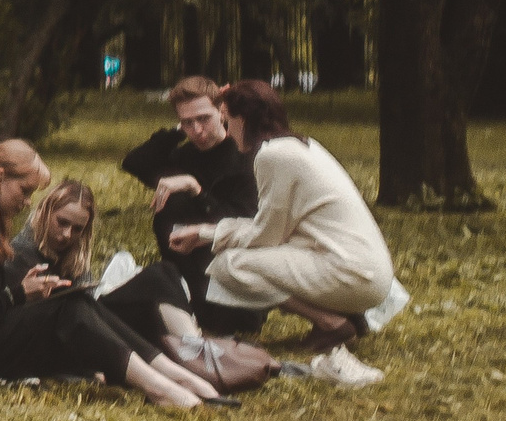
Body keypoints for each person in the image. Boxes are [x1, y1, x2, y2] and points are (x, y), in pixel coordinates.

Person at [0, 140, 225, 409]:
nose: (27, 202)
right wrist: (20, 293)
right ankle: (160, 388)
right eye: (25, 191)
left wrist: (22, 291)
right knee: (68, 309)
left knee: (80, 301)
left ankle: (177, 376)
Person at [169, 80, 396, 385]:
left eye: (227, 118)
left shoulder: (272, 156)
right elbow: (273, 228)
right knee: (246, 256)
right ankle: (342, 316)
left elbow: (266, 236)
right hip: (367, 269)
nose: (227, 127)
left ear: (242, 119)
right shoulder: (299, 144)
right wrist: (208, 232)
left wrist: (207, 235)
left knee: (229, 264)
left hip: (355, 274)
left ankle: (332, 322)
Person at [103, 78, 269, 346]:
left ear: (222, 112)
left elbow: (243, 225)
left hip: (231, 278)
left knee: (180, 200)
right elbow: (135, 162)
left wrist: (196, 190)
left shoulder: (244, 158)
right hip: (185, 273)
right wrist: (177, 132)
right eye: (187, 122)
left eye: (203, 118)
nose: (197, 130)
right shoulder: (183, 156)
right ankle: (180, 295)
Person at [10, 178, 96, 279]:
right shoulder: (18, 254)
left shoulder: (77, 259)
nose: (67, 234)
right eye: (62, 223)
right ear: (46, 214)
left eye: (77, 229)